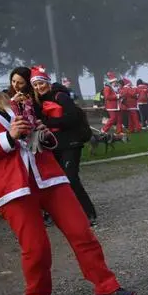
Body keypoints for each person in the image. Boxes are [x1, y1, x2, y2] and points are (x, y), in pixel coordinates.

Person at [0, 48, 136, 295]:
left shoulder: (9, 102)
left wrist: (41, 132)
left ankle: (106, 286)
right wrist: (8, 138)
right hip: (11, 186)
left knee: (81, 232)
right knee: (36, 247)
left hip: (47, 175)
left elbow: (36, 141)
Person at [29, 65, 97, 225]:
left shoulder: (61, 96)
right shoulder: (38, 101)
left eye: (41, 83)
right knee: (57, 181)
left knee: (71, 178)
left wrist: (47, 122)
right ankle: (59, 214)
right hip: (53, 145)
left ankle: (88, 213)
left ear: (48, 82)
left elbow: (72, 118)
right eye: (36, 85)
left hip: (71, 143)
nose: (39, 87)